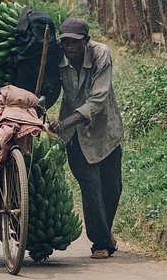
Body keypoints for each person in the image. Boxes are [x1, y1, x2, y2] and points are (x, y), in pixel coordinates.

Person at [48, 18, 124, 260]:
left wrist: (64, 122)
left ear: (86, 41)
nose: (69, 47)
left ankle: (105, 231)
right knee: (91, 187)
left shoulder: (101, 54)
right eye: (66, 42)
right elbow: (48, 88)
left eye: (75, 42)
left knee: (112, 187)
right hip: (74, 136)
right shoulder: (57, 59)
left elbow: (99, 99)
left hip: (105, 130)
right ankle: (100, 243)